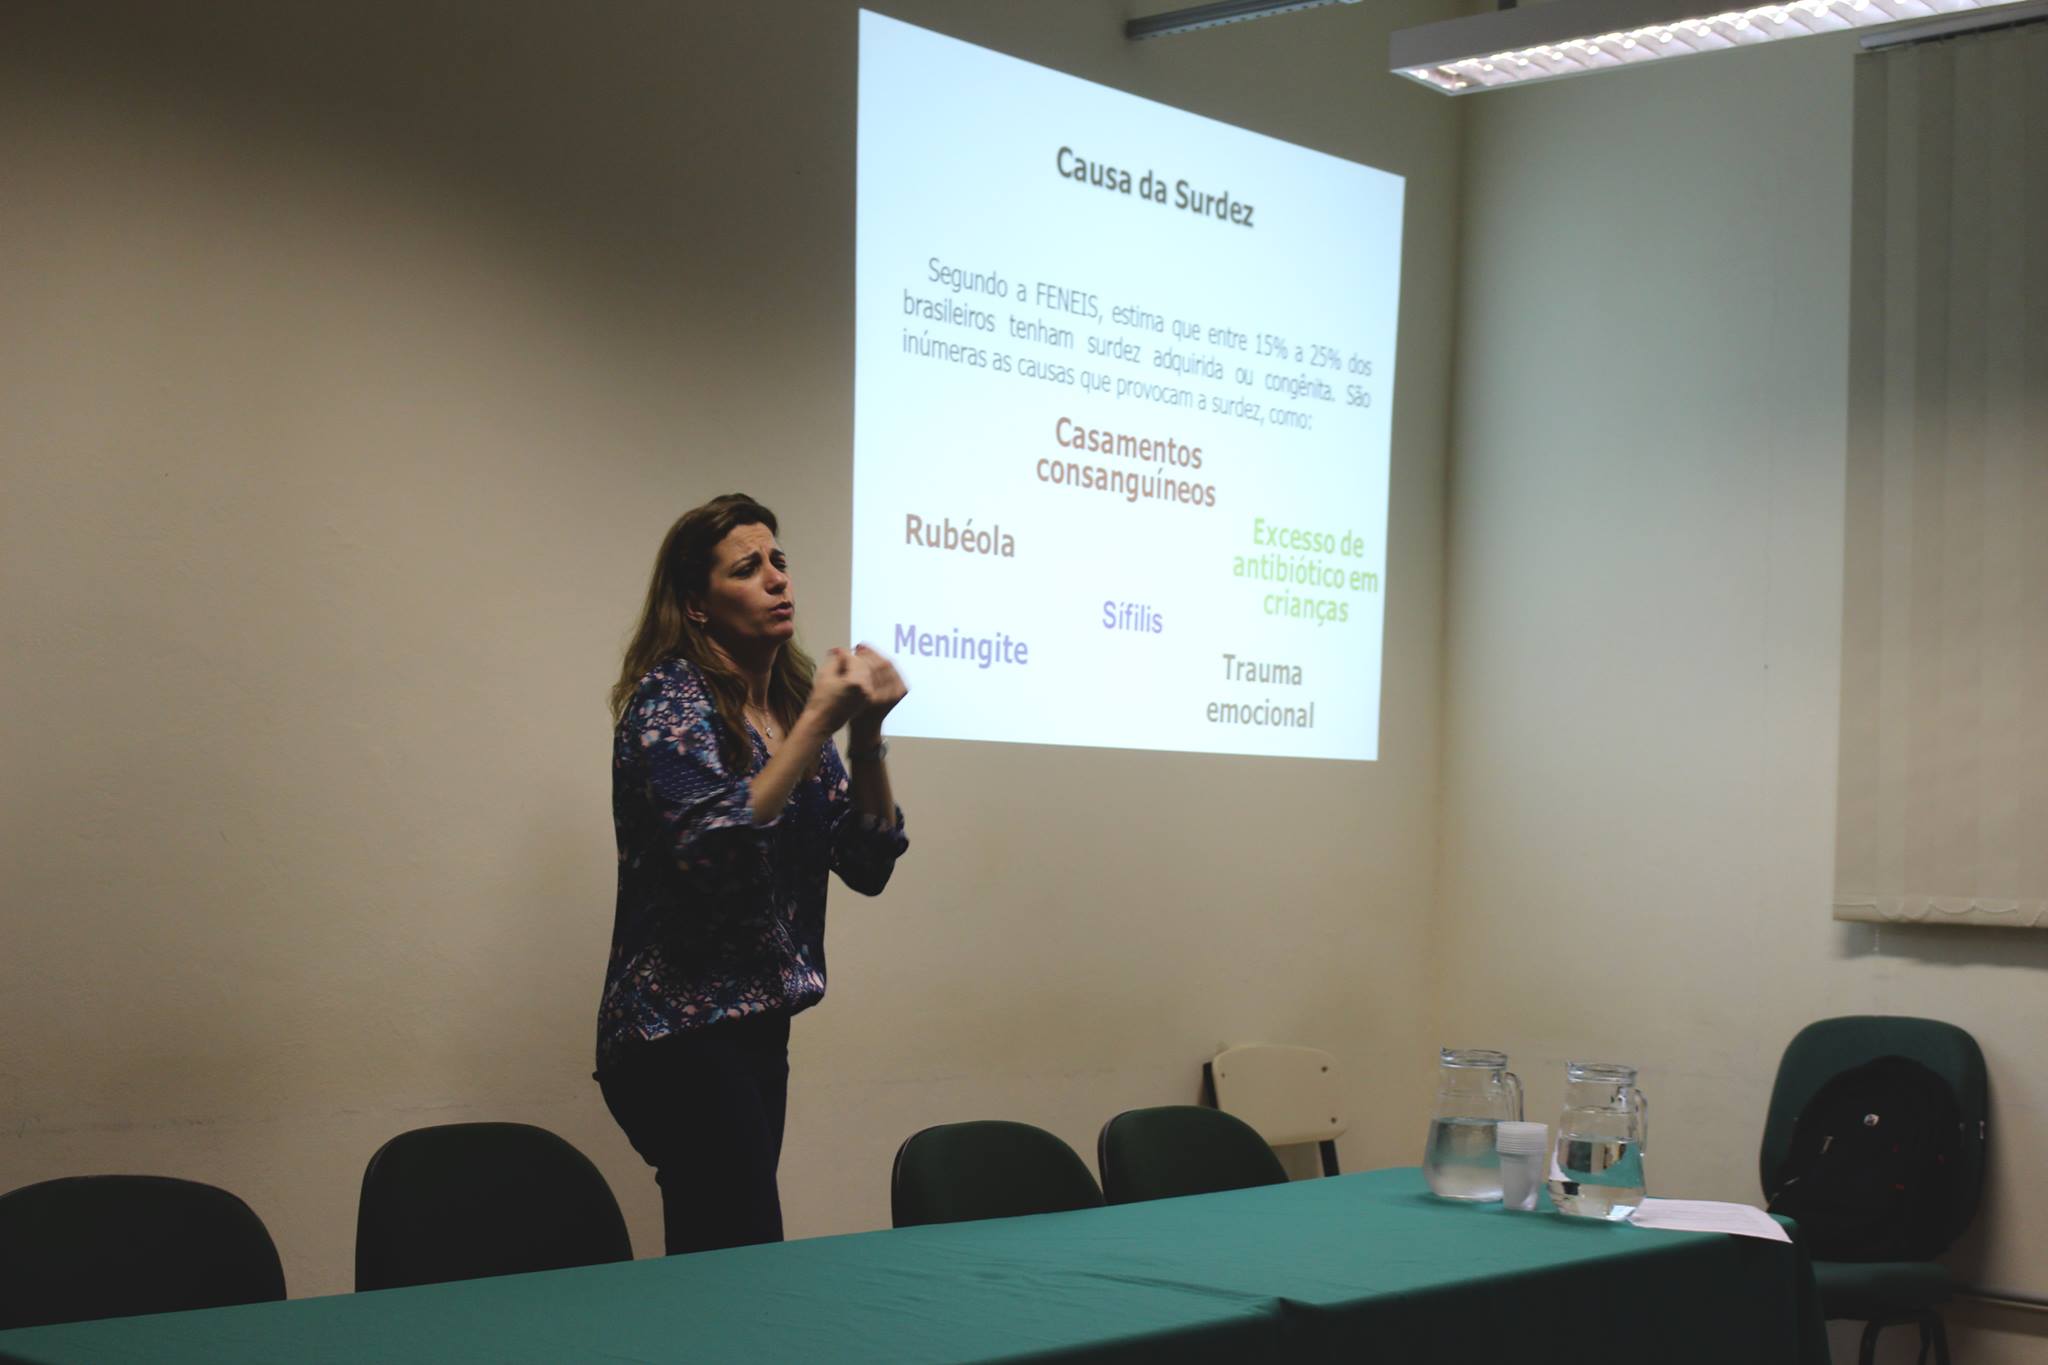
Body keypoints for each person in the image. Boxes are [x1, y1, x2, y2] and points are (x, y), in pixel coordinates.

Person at [594, 493, 907, 1255]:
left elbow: (866, 862)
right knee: (740, 1248)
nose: (776, 578)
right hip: (677, 1029)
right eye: (746, 568)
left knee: (729, 1255)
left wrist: (866, 732)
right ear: (696, 605)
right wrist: (818, 724)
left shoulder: (790, 712)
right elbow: (716, 843)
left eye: (779, 561)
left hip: (757, 1027)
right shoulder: (670, 701)